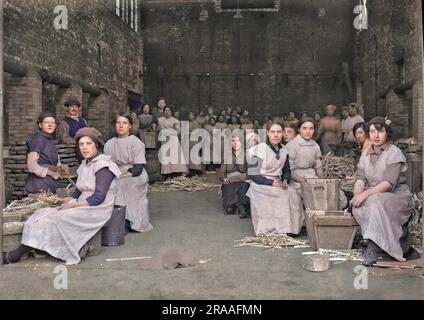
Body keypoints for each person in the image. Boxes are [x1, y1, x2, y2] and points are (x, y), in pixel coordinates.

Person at [3, 127, 122, 265]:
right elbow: (79, 191)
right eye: (81, 144)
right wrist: (67, 200)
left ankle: (14, 255)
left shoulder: (103, 165)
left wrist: (73, 204)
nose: (85, 148)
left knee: (54, 218)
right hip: (84, 203)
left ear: (96, 145)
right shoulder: (85, 164)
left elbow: (99, 198)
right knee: (41, 213)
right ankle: (42, 248)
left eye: (89, 144)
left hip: (97, 209)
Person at [351, 116, 421, 266]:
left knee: (374, 202)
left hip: (397, 197)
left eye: (380, 132)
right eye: (372, 132)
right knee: (357, 207)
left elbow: (388, 184)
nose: (375, 136)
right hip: (375, 195)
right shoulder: (366, 153)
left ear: (387, 133)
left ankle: (373, 248)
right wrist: (357, 195)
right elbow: (360, 178)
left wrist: (365, 194)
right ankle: (394, 245)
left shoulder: (394, 152)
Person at [246, 121, 304, 236]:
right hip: (261, 184)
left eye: (279, 132)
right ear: (267, 133)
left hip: (277, 181)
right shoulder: (259, 149)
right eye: (273, 132)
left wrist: (285, 179)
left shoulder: (284, 150)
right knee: (280, 197)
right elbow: (253, 174)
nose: (276, 135)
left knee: (293, 195)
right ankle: (272, 231)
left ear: (282, 133)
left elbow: (287, 170)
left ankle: (289, 229)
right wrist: (271, 182)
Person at [104, 113, 153, 233]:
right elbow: (107, 164)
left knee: (124, 185)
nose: (121, 126)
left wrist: (121, 176)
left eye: (124, 123)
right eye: (118, 123)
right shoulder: (109, 144)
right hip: (116, 171)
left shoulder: (135, 142)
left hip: (134, 174)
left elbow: (138, 168)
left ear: (130, 126)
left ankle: (133, 221)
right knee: (109, 186)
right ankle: (117, 220)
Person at [25, 113, 68, 193]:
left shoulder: (49, 139)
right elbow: (31, 165)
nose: (50, 125)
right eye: (46, 122)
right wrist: (52, 173)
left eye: (53, 123)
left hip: (48, 181)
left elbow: (54, 158)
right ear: (40, 125)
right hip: (40, 183)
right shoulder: (37, 139)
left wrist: (60, 167)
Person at [286, 117, 324, 193]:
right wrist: (305, 182)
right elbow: (290, 171)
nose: (308, 132)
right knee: (310, 194)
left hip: (312, 177)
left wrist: (323, 181)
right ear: (299, 130)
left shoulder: (315, 145)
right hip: (297, 180)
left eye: (311, 128)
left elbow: (318, 167)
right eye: (304, 128)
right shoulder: (292, 145)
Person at [218, 134, 250, 218]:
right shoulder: (227, 156)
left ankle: (239, 205)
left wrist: (234, 178)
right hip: (229, 180)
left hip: (243, 179)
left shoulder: (247, 155)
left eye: (238, 141)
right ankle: (240, 208)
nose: (235, 143)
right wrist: (224, 178)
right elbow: (221, 172)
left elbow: (249, 172)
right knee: (229, 186)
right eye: (233, 141)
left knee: (242, 186)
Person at [157, 106, 189, 179]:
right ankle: (167, 174)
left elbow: (178, 131)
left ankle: (176, 173)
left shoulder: (175, 120)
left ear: (171, 112)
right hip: (164, 140)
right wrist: (162, 131)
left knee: (174, 156)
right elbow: (158, 129)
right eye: (165, 110)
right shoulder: (160, 120)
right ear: (163, 111)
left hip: (173, 140)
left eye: (168, 110)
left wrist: (170, 132)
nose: (167, 112)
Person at [187, 111, 205, 177]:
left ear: (194, 116)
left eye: (191, 114)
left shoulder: (195, 123)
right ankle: (192, 170)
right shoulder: (188, 123)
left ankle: (194, 171)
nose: (190, 115)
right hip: (188, 140)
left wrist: (187, 133)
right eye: (189, 114)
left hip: (194, 141)